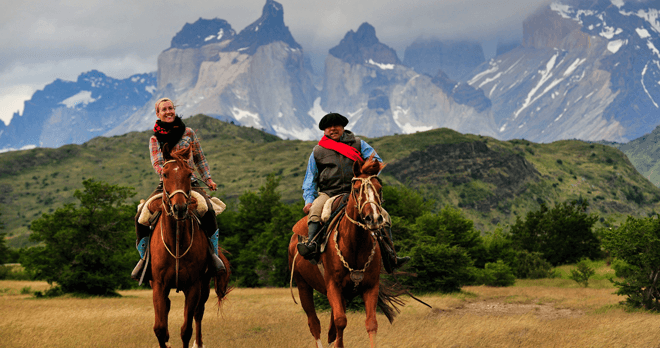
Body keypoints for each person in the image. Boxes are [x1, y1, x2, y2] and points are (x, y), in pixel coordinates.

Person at [296, 112, 409, 271]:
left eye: (336, 126)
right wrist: (308, 200)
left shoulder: (358, 144)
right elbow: (310, 179)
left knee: (384, 216)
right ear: (324, 131)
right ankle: (312, 246)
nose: (333, 129)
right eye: (329, 127)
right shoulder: (317, 151)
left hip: (357, 192)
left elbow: (377, 163)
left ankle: (391, 256)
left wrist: (365, 177)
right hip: (328, 192)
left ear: (343, 128)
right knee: (315, 211)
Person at [131, 98, 225, 281]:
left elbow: (200, 158)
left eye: (170, 108)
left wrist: (208, 179)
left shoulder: (188, 133)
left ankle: (213, 255)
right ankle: (144, 259)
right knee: (141, 215)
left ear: (175, 110)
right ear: (158, 114)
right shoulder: (154, 139)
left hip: (190, 183)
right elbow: (157, 163)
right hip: (166, 184)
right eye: (164, 109)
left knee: (208, 209)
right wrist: (171, 174)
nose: (168, 112)